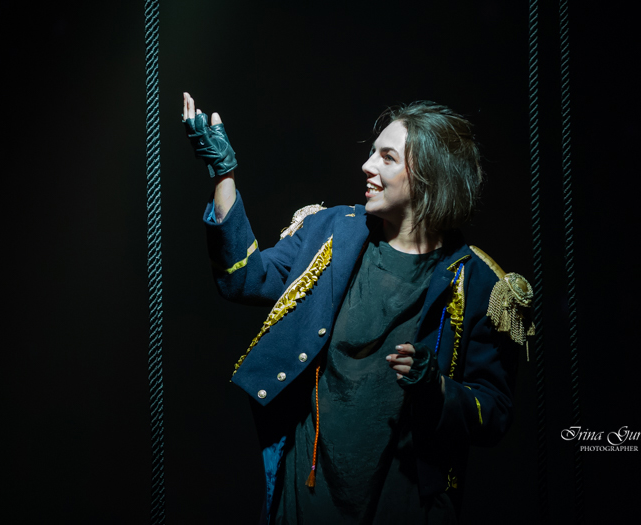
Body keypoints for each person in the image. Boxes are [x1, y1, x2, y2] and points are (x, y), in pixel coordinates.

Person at [182, 92, 532, 524]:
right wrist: (224, 174)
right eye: (372, 153)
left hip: (403, 503)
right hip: (306, 494)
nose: (367, 166)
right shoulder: (330, 231)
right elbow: (244, 278)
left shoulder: (480, 284)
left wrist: (437, 388)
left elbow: (494, 414)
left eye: (387, 157)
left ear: (429, 175)